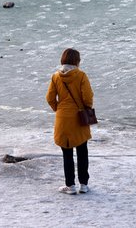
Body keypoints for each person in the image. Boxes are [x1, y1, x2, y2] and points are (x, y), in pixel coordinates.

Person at [46, 48, 94, 195]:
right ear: (77, 61)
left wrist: (59, 109)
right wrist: (86, 108)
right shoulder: (81, 75)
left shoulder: (55, 76)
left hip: (62, 118)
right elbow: (88, 97)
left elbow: (49, 98)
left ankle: (70, 185)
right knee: (82, 151)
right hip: (78, 117)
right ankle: (84, 184)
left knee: (67, 152)